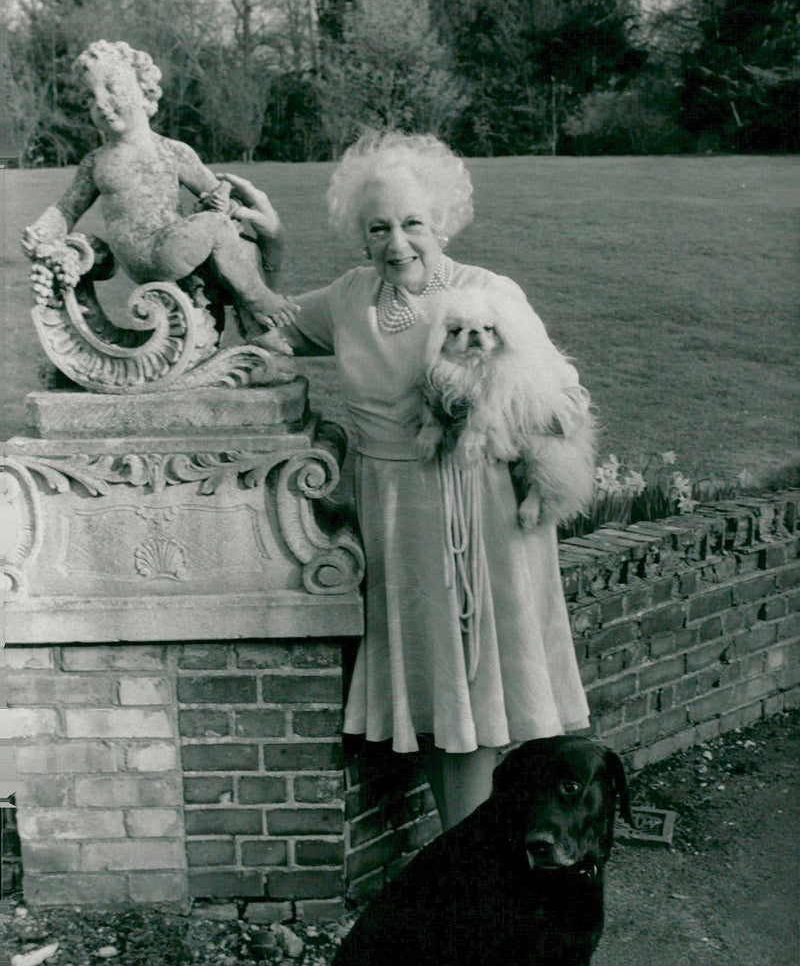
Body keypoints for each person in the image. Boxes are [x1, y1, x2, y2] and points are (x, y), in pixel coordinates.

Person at [221, 131, 591, 829]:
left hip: (479, 510)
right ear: (360, 237)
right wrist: (267, 251)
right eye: (379, 227)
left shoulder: (489, 294)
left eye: (413, 223)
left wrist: (500, 415)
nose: (398, 243)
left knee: (480, 682)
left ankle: (473, 863)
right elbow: (261, 324)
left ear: (441, 222)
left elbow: (561, 397)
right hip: (395, 514)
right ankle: (467, 857)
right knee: (434, 690)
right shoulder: (348, 299)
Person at [22, 40, 297, 334]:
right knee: (217, 228)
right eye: (90, 97)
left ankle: (255, 335)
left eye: (110, 87)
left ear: (145, 92)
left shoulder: (174, 152)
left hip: (176, 246)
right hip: (147, 254)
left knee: (240, 244)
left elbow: (217, 194)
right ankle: (261, 300)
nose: (100, 102)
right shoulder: (96, 162)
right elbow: (66, 209)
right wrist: (40, 232)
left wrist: (222, 202)